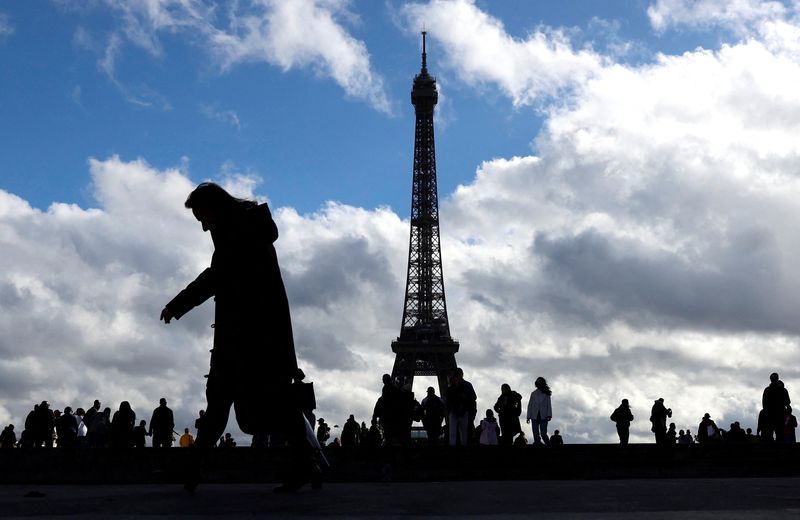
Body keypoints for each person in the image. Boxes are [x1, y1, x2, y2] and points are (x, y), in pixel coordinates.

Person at [161, 183, 314, 492]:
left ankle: (193, 471)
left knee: (225, 405)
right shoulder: (247, 229)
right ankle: (306, 466)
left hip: (247, 340)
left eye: (202, 217)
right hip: (256, 338)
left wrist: (178, 304)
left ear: (214, 208)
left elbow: (216, 277)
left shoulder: (237, 235)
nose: (204, 227)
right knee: (266, 407)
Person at [446, 370, 474, 446]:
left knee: (456, 433)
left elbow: (448, 402)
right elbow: (472, 398)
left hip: (458, 411)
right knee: (462, 433)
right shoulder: (466, 386)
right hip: (461, 411)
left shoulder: (450, 389)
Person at [762, 373, 791, 442]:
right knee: (779, 433)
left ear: (770, 379)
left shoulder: (767, 390)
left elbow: (764, 403)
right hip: (779, 414)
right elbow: (788, 402)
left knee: (770, 433)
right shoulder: (783, 390)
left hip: (771, 414)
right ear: (777, 379)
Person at [526, 376, 552, 445]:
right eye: (538, 382)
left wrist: (549, 414)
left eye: (540, 382)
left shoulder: (546, 394)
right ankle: (537, 444)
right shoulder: (533, 393)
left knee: (543, 433)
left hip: (544, 415)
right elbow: (530, 405)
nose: (539, 383)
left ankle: (548, 444)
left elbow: (549, 405)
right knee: (535, 434)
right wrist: (528, 416)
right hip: (534, 415)